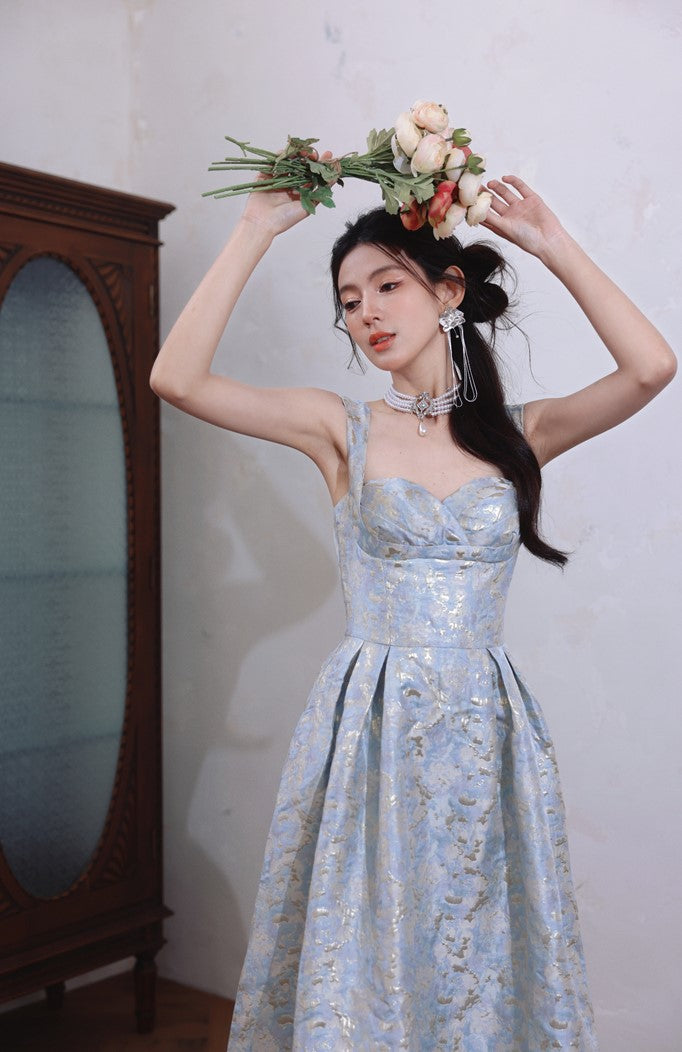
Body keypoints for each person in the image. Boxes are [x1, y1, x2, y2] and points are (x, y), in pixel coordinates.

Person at [150, 170, 676, 1050]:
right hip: (371, 723)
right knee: (366, 945)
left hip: (484, 726)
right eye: (349, 301)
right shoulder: (339, 428)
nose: (367, 314)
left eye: (387, 286)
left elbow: (652, 367)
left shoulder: (521, 435)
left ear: (448, 291)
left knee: (478, 943)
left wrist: (550, 243)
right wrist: (253, 230)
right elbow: (176, 377)